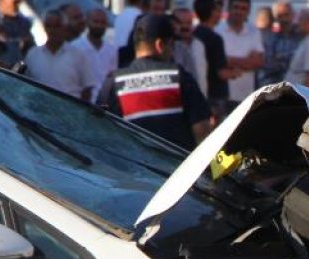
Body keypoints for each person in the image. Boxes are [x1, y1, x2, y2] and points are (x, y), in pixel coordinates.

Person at [99, 14, 213, 148]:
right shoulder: (178, 77)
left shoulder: (115, 83)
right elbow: (202, 130)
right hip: (179, 166)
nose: (172, 52)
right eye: (171, 45)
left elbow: (102, 131)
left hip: (135, 166)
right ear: (160, 45)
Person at [25, 10, 97, 102]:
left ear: (64, 27)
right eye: (49, 26)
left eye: (56, 26)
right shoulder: (32, 55)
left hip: (70, 112)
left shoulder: (77, 55)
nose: (52, 30)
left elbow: (87, 88)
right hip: (39, 111)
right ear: (44, 27)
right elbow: (26, 85)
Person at [219, 0, 264, 106]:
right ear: (229, 9)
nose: (239, 11)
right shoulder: (218, 31)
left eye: (243, 8)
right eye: (236, 7)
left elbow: (259, 62)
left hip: (247, 97)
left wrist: (229, 60)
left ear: (248, 12)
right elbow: (216, 63)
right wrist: (247, 61)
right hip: (223, 96)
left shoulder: (254, 31)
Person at [192, 0, 233, 115]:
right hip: (216, 96)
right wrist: (236, 72)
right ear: (212, 13)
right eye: (218, 10)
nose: (220, 13)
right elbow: (222, 73)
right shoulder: (215, 38)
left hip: (198, 92)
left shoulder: (194, 33)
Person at [75, 8, 118, 102]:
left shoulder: (112, 50)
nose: (99, 25)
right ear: (87, 22)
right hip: (81, 102)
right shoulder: (75, 48)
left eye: (103, 22)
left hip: (104, 105)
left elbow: (112, 78)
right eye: (95, 21)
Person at [258, 1, 299, 86]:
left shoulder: (301, 37)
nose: (284, 19)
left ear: (293, 15)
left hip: (296, 86)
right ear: (276, 18)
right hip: (274, 85)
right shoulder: (271, 39)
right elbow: (268, 64)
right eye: (280, 16)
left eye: (286, 15)